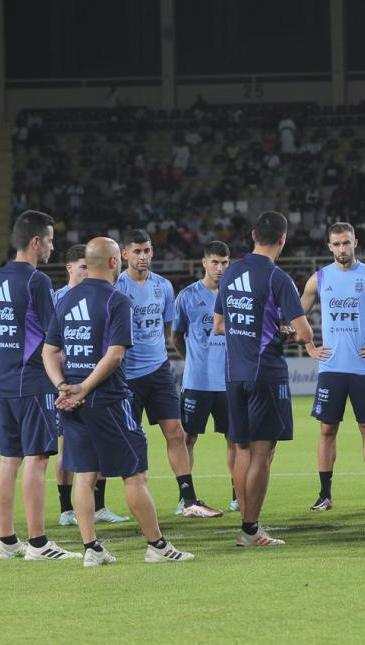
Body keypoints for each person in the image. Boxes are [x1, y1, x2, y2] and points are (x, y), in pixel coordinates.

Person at [43, 237, 193, 566]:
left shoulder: (65, 300)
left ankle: (91, 549)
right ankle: (156, 546)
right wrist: (84, 388)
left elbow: (49, 351)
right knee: (134, 475)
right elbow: (115, 354)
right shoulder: (116, 299)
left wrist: (63, 386)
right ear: (114, 262)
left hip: (73, 402)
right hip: (108, 400)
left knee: (85, 474)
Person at [213, 211, 314, 547]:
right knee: (262, 454)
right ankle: (250, 529)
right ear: (283, 240)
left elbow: (219, 324)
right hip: (265, 375)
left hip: (233, 374)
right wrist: (283, 331)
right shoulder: (277, 277)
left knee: (241, 450)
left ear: (253, 235)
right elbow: (304, 331)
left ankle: (247, 525)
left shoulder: (229, 273)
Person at [0, 210, 80, 561]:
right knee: (37, 460)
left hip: (7, 382)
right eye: (51, 240)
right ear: (36, 241)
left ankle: (8, 542)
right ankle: (39, 543)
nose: (53, 247)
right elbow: (53, 336)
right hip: (35, 382)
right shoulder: (36, 281)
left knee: (9, 460)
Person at [300, 222, 365, 511]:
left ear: (355, 242)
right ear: (329, 246)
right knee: (327, 430)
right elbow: (295, 315)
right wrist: (309, 346)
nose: (342, 249)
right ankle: (324, 495)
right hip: (331, 367)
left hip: (362, 368)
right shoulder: (318, 279)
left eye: (346, 243)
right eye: (336, 244)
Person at [115, 229, 197, 516]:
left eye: (147, 251)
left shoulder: (163, 286)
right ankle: (116, 502)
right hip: (127, 376)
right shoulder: (117, 288)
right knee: (128, 437)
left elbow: (166, 330)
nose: (143, 257)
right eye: (137, 251)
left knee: (176, 431)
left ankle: (188, 500)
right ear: (124, 254)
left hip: (159, 370)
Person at [51, 244, 128, 525]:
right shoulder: (60, 298)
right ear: (70, 268)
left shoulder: (98, 297)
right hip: (73, 385)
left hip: (78, 385)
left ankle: (98, 508)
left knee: (93, 456)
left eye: (89, 265)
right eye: (82, 266)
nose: (87, 271)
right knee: (69, 452)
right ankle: (65, 508)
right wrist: (64, 384)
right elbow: (53, 348)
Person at [172, 240, 232, 517]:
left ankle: (237, 495)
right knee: (188, 437)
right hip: (197, 381)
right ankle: (186, 496)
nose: (220, 268)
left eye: (224, 263)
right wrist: (193, 359)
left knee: (236, 440)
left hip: (229, 380)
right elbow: (176, 335)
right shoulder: (187, 296)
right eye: (215, 262)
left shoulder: (235, 295)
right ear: (204, 263)